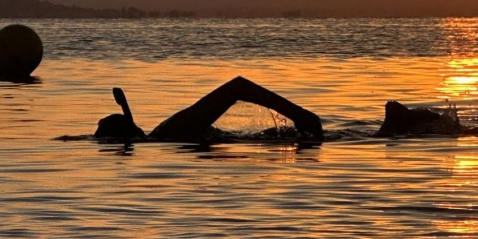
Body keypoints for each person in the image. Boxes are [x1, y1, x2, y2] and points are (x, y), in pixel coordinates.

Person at [94, 76, 324, 143]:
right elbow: (238, 87)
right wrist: (299, 115)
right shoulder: (171, 131)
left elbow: (238, 86)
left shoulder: (174, 129)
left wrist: (299, 115)